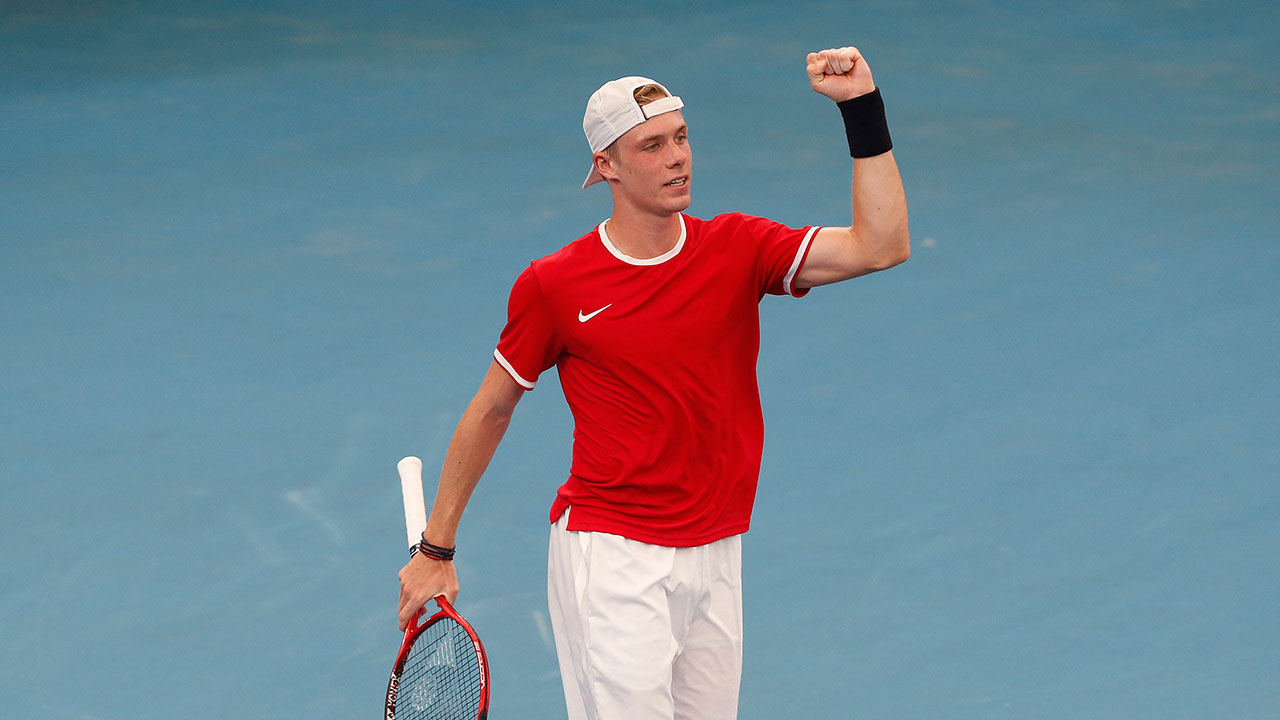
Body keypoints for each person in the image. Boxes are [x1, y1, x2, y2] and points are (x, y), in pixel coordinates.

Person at [398, 45, 909, 719]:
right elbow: (492, 407)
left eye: (681, 138)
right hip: (614, 557)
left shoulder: (739, 248)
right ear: (604, 165)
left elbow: (882, 245)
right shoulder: (556, 284)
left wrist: (860, 109)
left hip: (717, 548)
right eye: (651, 146)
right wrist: (437, 546)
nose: (677, 157)